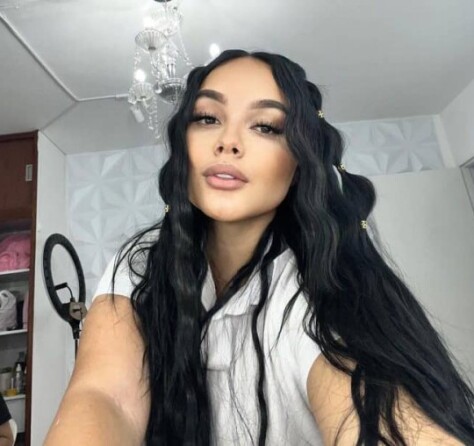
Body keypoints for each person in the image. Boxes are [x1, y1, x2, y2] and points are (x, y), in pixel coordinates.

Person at [44, 49, 474, 445]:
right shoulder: (141, 264)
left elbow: (371, 398)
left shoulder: (320, 288)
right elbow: (105, 397)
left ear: (300, 161)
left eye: (266, 126)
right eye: (207, 118)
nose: (227, 142)